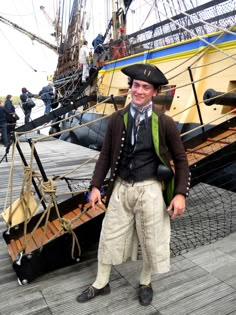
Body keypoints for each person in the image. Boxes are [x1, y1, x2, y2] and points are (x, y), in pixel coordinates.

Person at [76, 63, 190, 306]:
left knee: (151, 238)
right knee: (108, 236)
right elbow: (105, 154)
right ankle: (101, 282)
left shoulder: (165, 123)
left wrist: (180, 193)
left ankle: (145, 281)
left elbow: (181, 160)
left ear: (154, 92)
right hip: (121, 187)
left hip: (150, 189)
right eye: (136, 85)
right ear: (131, 87)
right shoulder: (117, 119)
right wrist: (96, 186)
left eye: (145, 87)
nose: (138, 91)